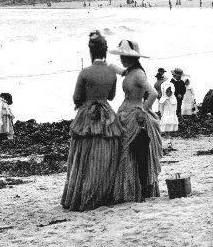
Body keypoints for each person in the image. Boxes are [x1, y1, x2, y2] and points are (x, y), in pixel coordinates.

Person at [61, 31, 124, 211]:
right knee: (104, 159)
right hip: (106, 115)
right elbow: (111, 96)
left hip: (87, 116)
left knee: (82, 157)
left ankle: (82, 195)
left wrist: (84, 102)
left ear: (90, 52)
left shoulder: (85, 72)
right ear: (104, 52)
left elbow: (76, 97)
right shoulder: (112, 72)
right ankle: (102, 193)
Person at [109, 40, 163, 203]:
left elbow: (153, 93)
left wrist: (143, 110)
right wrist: (108, 66)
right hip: (125, 113)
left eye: (123, 56)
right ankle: (128, 190)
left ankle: (136, 190)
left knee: (128, 152)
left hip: (134, 115)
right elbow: (118, 69)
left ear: (130, 57)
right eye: (120, 56)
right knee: (124, 152)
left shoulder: (138, 73)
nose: (121, 59)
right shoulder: (129, 71)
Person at [158, 85, 178, 149]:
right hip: (166, 115)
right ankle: (168, 142)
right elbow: (161, 108)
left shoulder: (173, 98)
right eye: (167, 91)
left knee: (170, 129)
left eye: (170, 91)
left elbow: (175, 107)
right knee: (167, 130)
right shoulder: (163, 99)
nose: (169, 93)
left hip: (172, 115)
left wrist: (175, 114)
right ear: (165, 92)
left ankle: (169, 141)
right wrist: (162, 115)